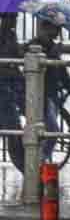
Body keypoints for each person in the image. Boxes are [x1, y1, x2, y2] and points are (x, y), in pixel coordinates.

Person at [33, 19, 70, 161]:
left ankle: (44, 163)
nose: (59, 32)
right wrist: (53, 53)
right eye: (56, 28)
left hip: (51, 94)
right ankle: (40, 161)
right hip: (41, 95)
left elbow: (60, 69)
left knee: (48, 132)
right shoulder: (35, 45)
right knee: (52, 132)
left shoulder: (52, 46)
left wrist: (69, 83)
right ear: (46, 28)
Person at [0, 14, 24, 173]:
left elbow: (17, 56)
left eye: (15, 18)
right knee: (13, 128)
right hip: (3, 87)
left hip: (13, 84)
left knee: (15, 128)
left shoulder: (11, 35)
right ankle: (25, 169)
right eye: (12, 17)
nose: (14, 21)